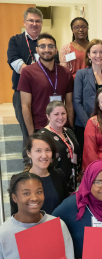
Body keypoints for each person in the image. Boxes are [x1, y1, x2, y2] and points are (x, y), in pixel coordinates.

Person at [18, 33, 74, 137]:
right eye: (42, 46)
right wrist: (32, 134)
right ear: (37, 50)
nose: (47, 49)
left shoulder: (65, 72)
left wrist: (70, 127)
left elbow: (69, 104)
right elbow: (25, 106)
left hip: (62, 127)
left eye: (51, 46)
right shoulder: (27, 72)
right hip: (40, 128)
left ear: (56, 50)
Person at [74, 39, 102, 163]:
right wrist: (89, 123)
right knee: (90, 159)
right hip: (84, 124)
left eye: (101, 52)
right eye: (94, 52)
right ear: (88, 55)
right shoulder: (81, 74)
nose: (98, 55)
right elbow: (77, 101)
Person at [7, 7, 43, 162]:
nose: (34, 24)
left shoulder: (46, 41)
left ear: (41, 23)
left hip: (43, 94)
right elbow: (14, 61)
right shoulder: (16, 40)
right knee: (27, 129)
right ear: (25, 22)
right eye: (31, 21)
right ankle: (28, 163)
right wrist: (35, 73)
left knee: (44, 128)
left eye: (37, 21)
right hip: (22, 93)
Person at [39, 101, 80, 192]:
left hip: (71, 180)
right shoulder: (42, 136)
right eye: (56, 114)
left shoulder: (69, 131)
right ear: (48, 116)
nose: (60, 117)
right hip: (53, 183)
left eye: (63, 113)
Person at [25, 133, 69, 214]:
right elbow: (16, 215)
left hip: (57, 225)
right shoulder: (21, 181)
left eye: (48, 150)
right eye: (38, 151)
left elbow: (65, 207)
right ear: (29, 153)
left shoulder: (59, 175)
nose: (44, 155)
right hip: (32, 226)